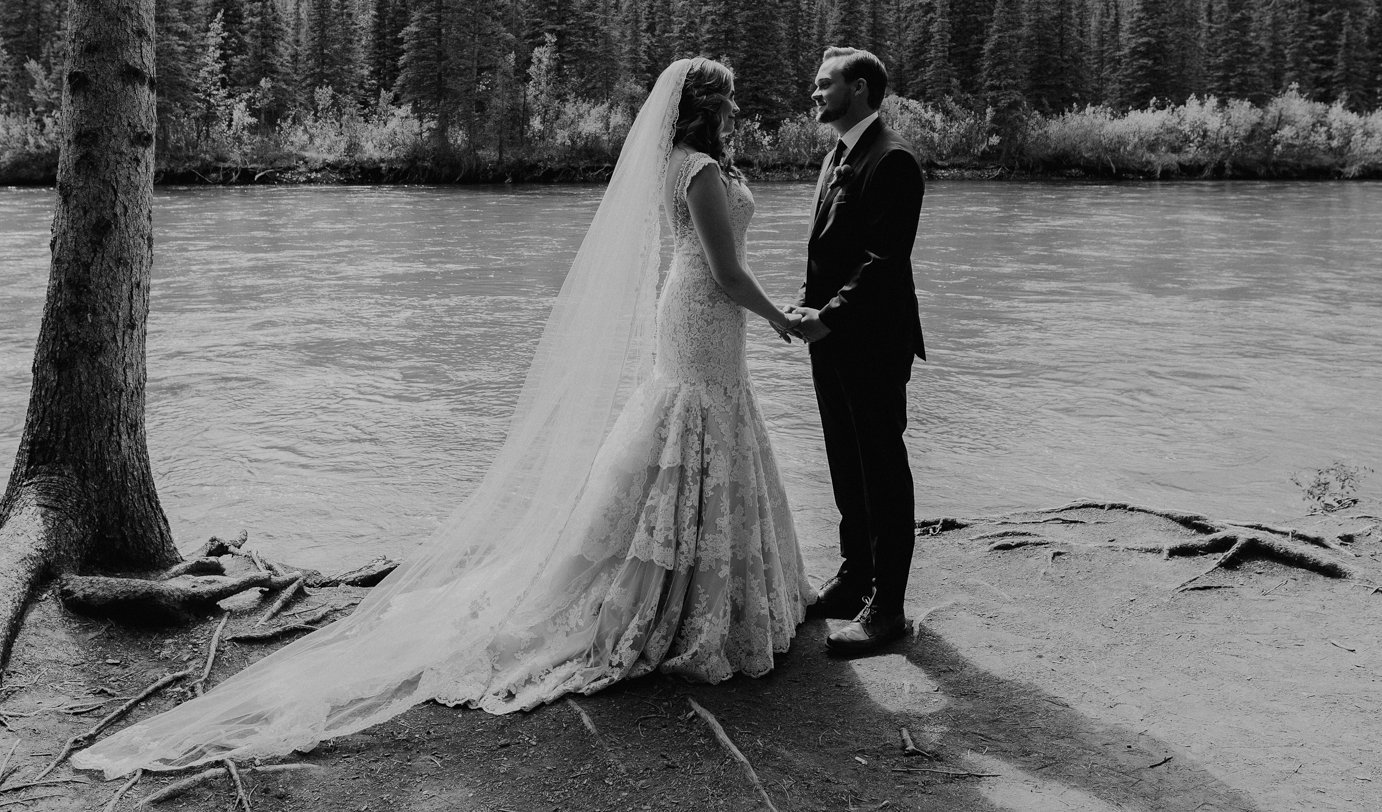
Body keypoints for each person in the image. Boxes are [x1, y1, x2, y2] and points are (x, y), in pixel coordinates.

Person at [76, 58, 809, 775]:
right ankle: (676, 598)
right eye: (731, 101)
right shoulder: (701, 170)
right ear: (708, 106)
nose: (738, 113)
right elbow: (726, 270)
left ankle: (689, 584)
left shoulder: (676, 161)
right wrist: (785, 321)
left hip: (695, 315)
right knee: (694, 422)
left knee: (691, 424)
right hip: (707, 308)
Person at [784, 46, 926, 657]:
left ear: (861, 89)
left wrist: (831, 317)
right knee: (844, 458)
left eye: (825, 85)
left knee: (880, 468)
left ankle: (887, 610)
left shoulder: (893, 160)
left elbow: (884, 263)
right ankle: (852, 578)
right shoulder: (837, 153)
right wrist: (806, 306)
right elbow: (835, 251)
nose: (815, 94)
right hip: (832, 337)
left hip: (871, 341)